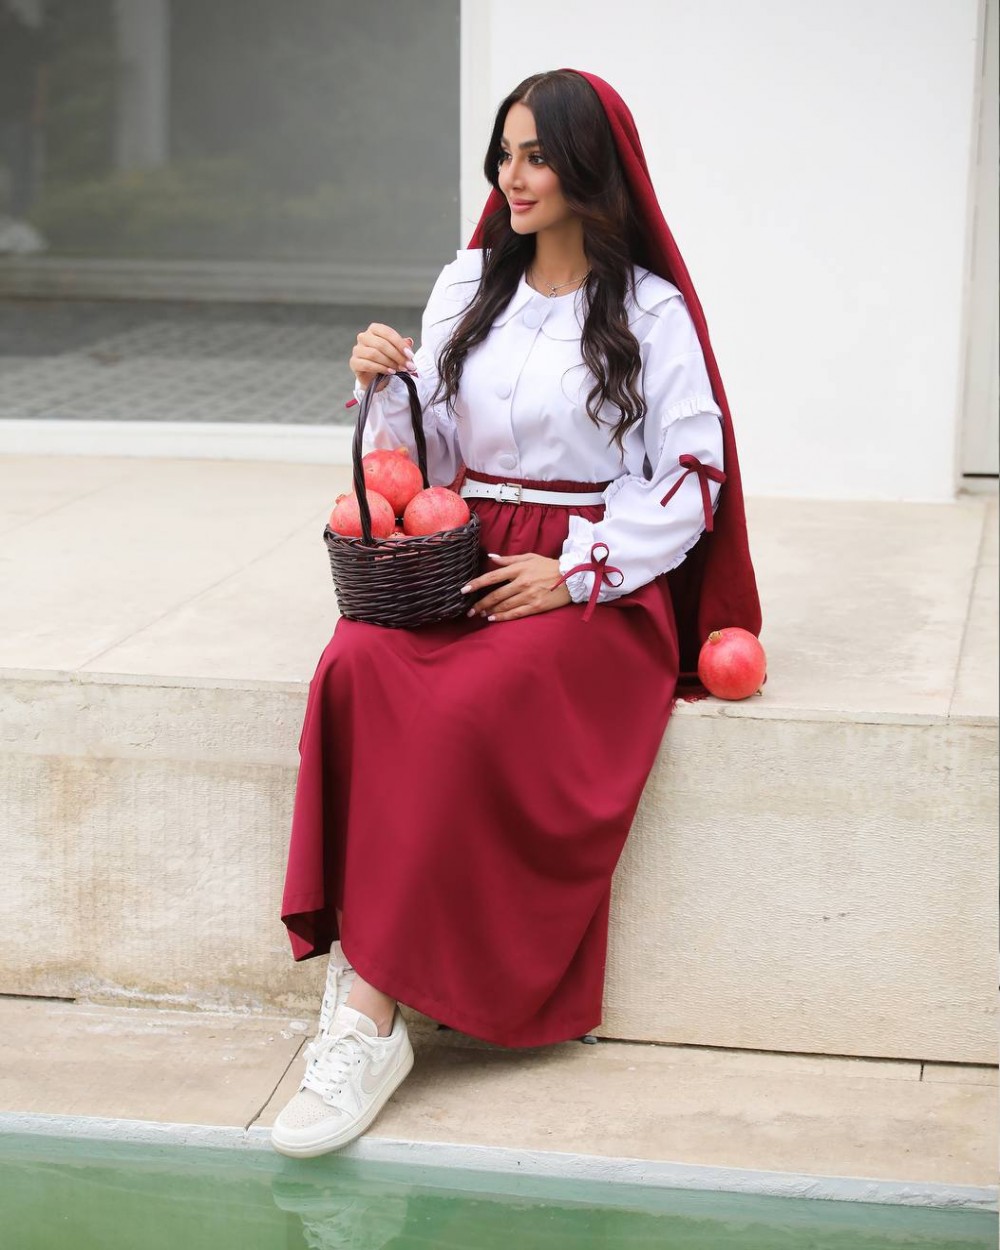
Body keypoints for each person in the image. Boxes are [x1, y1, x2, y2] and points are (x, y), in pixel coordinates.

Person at [271, 69, 761, 1159]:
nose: (513, 176)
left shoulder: (650, 311)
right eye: (505, 154)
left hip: (595, 586)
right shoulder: (467, 286)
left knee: (463, 709)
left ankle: (370, 1015)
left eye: (537, 154)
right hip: (469, 551)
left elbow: (692, 477)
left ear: (589, 165)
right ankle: (371, 974)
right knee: (354, 663)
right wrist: (386, 386)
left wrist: (579, 569)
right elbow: (433, 453)